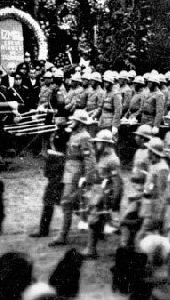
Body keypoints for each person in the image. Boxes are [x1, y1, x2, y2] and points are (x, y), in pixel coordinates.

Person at [50, 110, 96, 246]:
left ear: (80, 123)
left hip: (76, 172)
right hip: (69, 170)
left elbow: (89, 158)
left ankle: (62, 235)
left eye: (74, 120)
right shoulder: (73, 134)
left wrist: (87, 177)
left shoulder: (84, 137)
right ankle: (95, 225)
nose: (72, 122)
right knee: (74, 202)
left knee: (67, 202)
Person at [82, 129, 122, 258]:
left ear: (105, 144)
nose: (96, 145)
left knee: (93, 220)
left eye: (99, 143)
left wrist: (114, 200)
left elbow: (116, 182)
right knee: (95, 218)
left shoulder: (112, 159)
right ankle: (95, 243)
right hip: (97, 190)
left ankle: (91, 250)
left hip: (104, 192)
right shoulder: (102, 156)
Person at [29, 122, 68, 238]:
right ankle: (43, 230)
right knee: (53, 201)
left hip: (59, 168)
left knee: (51, 200)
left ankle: (44, 230)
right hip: (54, 167)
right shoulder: (54, 131)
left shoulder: (66, 133)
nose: (57, 118)